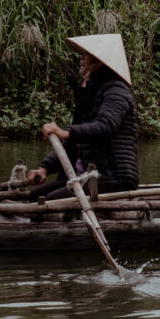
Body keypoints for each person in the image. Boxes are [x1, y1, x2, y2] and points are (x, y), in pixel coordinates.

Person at [27, 33, 138, 201]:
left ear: (98, 63)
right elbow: (72, 143)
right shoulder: (91, 93)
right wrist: (45, 169)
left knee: (51, 201)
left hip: (112, 178)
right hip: (85, 177)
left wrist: (67, 132)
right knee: (35, 195)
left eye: (85, 56)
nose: (81, 60)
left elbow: (105, 125)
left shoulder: (116, 92)